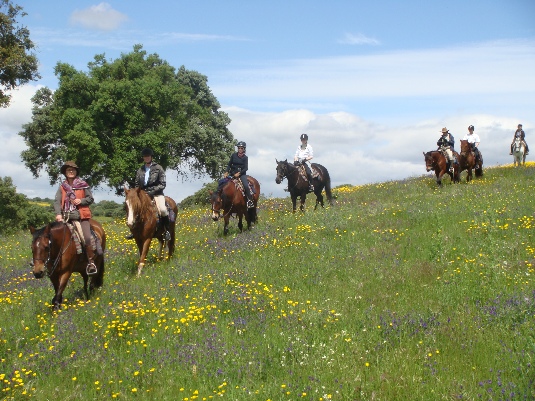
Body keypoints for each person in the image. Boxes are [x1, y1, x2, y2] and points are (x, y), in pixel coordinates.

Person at [54, 161, 97, 275]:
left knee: (86, 238)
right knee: (51, 237)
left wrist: (81, 201)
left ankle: (91, 262)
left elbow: (90, 198)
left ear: (76, 172)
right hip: (65, 218)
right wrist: (58, 214)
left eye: (73, 170)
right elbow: (57, 202)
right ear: (65, 172)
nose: (71, 171)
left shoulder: (83, 185)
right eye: (69, 170)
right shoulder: (62, 187)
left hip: (80, 217)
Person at [127, 148, 171, 241]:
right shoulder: (140, 170)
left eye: (148, 156)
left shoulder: (158, 168)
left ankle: (167, 231)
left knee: (163, 210)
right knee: (133, 208)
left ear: (151, 157)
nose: (146, 158)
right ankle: (133, 231)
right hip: (143, 194)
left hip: (157, 194)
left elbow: (162, 184)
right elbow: (137, 184)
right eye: (145, 156)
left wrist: (152, 191)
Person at [224, 141, 254, 209]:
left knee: (246, 186)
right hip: (232, 173)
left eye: (241, 148)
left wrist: (239, 173)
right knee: (222, 183)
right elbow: (229, 164)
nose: (240, 149)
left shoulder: (245, 158)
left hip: (241, 175)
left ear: (244, 149)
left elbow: (246, 168)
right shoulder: (233, 155)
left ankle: (249, 201)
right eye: (239, 148)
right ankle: (220, 200)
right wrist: (226, 171)